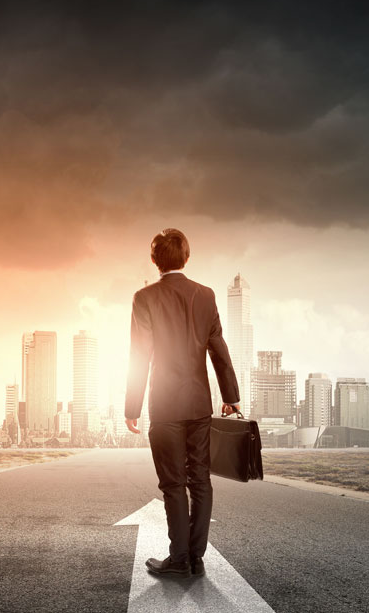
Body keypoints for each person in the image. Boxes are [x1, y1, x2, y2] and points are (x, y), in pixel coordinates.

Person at [124, 228, 241, 579]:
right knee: (200, 481)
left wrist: (132, 407)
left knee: (173, 484)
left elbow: (139, 356)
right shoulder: (205, 295)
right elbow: (218, 347)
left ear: (154, 259)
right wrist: (231, 396)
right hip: (199, 405)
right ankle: (197, 557)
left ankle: (179, 559)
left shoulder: (144, 297)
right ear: (186, 257)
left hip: (164, 406)